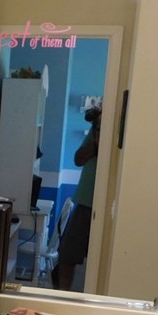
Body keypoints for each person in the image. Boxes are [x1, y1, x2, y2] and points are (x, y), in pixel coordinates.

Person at [52, 106, 101, 291]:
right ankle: (63, 296)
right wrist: (97, 129)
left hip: (102, 205)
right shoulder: (97, 130)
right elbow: (78, 159)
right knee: (66, 255)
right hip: (85, 201)